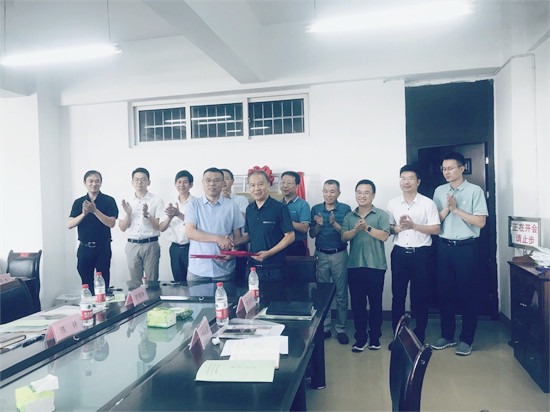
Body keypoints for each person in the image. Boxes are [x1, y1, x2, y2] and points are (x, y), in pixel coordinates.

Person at [431, 152, 488, 356]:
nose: (446, 172)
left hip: (466, 248)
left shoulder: (474, 191)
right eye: (444, 169)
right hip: (444, 247)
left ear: (462, 169)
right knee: (445, 292)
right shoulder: (439, 191)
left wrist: (456, 210)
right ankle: (447, 336)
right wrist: (447, 209)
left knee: (467, 294)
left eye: (450, 168)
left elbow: (481, 222)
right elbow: (434, 220)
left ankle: (466, 339)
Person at [386, 165, 440, 347]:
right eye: (403, 178)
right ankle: (397, 336)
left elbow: (436, 229)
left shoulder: (428, 203)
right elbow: (389, 228)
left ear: (418, 182)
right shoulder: (392, 203)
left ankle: (419, 335)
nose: (406, 182)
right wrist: (397, 228)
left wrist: (414, 226)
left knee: (421, 296)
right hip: (400, 254)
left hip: (421, 254)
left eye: (410, 178)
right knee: (398, 296)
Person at [341, 179, 390, 353]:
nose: (362, 196)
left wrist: (367, 227)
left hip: (376, 266)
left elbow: (384, 236)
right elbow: (344, 237)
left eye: (366, 192)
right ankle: (360, 338)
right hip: (355, 265)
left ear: (373, 195)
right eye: (359, 192)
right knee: (358, 304)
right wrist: (356, 229)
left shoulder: (381, 214)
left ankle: (375, 337)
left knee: (376, 303)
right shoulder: (349, 216)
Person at [310, 179, 352, 344]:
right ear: (323, 192)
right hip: (321, 255)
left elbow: (347, 233)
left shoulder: (345, 209)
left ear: (338, 193)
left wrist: (334, 224)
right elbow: (312, 234)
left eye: (332, 191)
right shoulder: (316, 209)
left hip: (339, 255)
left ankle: (341, 328)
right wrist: (319, 226)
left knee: (341, 293)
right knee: (323, 293)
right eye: (326, 191)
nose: (329, 195)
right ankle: (325, 327)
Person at [184, 167, 244, 281]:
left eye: (216, 180)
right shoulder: (193, 205)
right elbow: (190, 232)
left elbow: (238, 237)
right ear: (202, 182)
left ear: (223, 183)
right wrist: (218, 239)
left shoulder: (232, 206)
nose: (212, 184)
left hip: (224, 269)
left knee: (225, 293)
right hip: (198, 269)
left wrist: (233, 253)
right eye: (208, 180)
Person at [235, 170, 295, 282]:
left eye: (260, 184)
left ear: (268, 185)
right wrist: (234, 243)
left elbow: (290, 236)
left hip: (274, 268)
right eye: (252, 185)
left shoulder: (280, 208)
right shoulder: (250, 209)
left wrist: (269, 253)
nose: (256, 188)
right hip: (252, 267)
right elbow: (249, 236)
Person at [67, 170, 118, 294]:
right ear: (85, 183)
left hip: (103, 247)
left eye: (97, 181)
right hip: (84, 248)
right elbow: (69, 224)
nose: (94, 184)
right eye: (91, 181)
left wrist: (95, 211)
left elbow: (111, 223)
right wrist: (83, 214)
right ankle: (89, 304)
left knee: (103, 284)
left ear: (101, 183)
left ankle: (103, 305)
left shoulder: (109, 200)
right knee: (86, 284)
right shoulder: (78, 202)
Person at [119, 168, 165, 284]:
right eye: (136, 179)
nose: (139, 182)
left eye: (143, 179)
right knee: (135, 284)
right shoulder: (127, 201)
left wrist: (147, 215)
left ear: (149, 182)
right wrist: (128, 214)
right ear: (132, 182)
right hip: (132, 245)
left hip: (151, 245)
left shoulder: (157, 200)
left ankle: (152, 296)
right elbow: (122, 227)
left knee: (152, 282)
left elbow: (159, 226)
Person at [160, 170, 196, 282]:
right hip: (175, 248)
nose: (181, 185)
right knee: (178, 281)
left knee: (194, 280)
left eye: (185, 182)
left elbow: (199, 225)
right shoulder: (169, 203)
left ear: (191, 184)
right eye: (179, 182)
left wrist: (178, 214)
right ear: (175, 184)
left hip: (192, 247)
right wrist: (170, 217)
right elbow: (161, 228)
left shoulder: (196, 202)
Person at [280, 171, 311, 256]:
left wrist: (286, 221)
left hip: (296, 247)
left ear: (297, 186)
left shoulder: (303, 204)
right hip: (279, 245)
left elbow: (304, 228)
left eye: (289, 183)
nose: (285, 186)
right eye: (283, 182)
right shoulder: (278, 204)